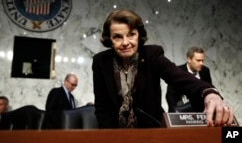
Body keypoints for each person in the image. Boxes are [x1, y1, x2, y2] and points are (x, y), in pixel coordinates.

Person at [92, 9, 234, 128]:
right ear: (109, 39)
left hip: (152, 132)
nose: (125, 42)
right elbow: (101, 108)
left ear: (139, 35)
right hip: (116, 135)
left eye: (131, 35)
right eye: (117, 37)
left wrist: (210, 93)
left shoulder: (151, 55)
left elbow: (181, 78)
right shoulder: (100, 62)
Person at [166, 47, 215, 112]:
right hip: (182, 110)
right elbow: (170, 95)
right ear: (189, 59)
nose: (201, 63)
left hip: (200, 111)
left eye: (202, 60)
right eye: (198, 60)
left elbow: (209, 88)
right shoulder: (178, 71)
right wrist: (175, 112)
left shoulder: (205, 71)